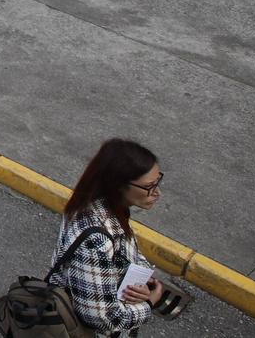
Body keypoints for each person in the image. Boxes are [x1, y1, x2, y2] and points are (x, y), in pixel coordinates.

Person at [55, 139, 178, 337]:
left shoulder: (94, 204)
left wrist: (143, 283)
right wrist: (149, 303)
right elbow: (104, 319)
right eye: (149, 186)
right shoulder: (96, 240)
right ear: (118, 185)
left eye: (158, 181)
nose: (157, 193)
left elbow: (122, 253)